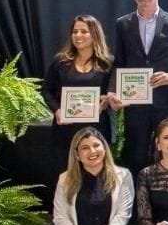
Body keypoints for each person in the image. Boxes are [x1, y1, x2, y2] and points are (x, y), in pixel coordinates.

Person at [109, 0, 168, 175]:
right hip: (135, 104)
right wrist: (112, 91)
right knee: (135, 156)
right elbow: (119, 62)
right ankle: (138, 196)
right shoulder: (123, 24)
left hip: (166, 102)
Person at [43, 15, 115, 162]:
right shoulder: (60, 61)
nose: (78, 35)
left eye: (84, 31)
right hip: (65, 130)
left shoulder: (108, 63)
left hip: (97, 129)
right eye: (75, 32)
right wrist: (57, 110)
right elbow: (46, 91)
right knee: (66, 171)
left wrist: (106, 101)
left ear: (95, 34)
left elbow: (113, 92)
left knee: (95, 170)